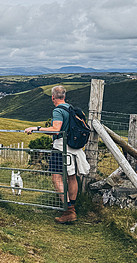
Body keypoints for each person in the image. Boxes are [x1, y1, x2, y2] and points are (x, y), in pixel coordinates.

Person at [25, 85, 90, 223]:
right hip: (74, 147)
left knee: (56, 177)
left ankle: (68, 211)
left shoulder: (58, 110)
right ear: (64, 96)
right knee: (72, 177)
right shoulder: (71, 109)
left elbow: (56, 129)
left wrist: (36, 128)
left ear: (53, 97)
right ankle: (72, 207)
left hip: (60, 147)